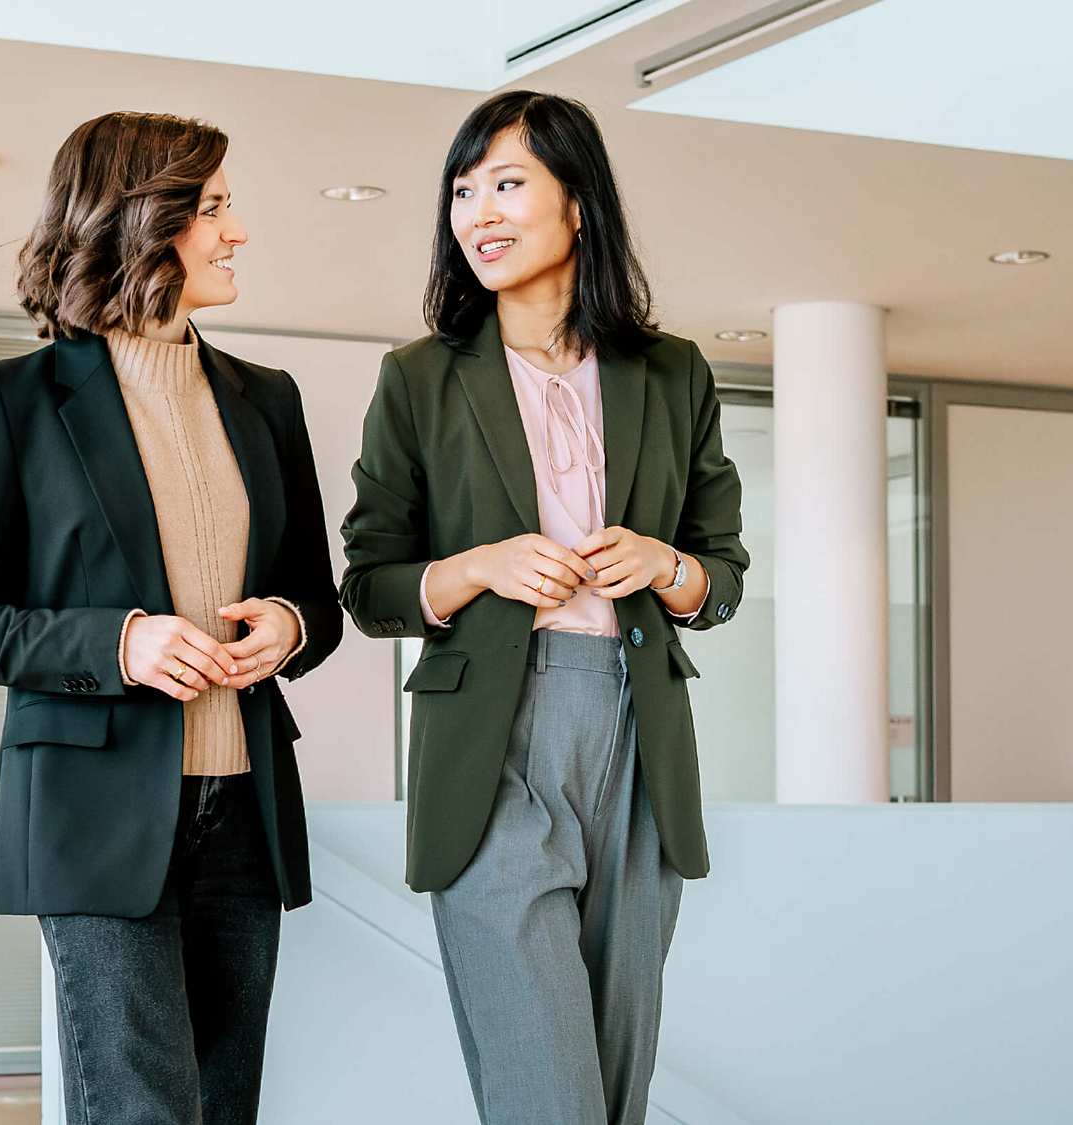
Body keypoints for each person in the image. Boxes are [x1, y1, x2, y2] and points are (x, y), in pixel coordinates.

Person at [0, 110, 341, 1125]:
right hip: (93, 813)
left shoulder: (266, 399)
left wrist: (287, 624)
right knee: (141, 1108)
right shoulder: (14, 401)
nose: (235, 232)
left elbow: (315, 600)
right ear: (142, 220)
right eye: (214, 208)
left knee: (221, 1103)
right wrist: (121, 642)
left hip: (244, 810)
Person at [339, 90, 748, 1125]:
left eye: (507, 184)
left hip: (635, 734)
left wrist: (663, 563)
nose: (477, 211)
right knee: (545, 1089)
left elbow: (721, 576)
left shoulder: (671, 372)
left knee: (614, 1087)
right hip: (491, 744)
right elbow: (369, 584)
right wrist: (474, 567)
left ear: (578, 206)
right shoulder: (419, 380)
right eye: (462, 190)